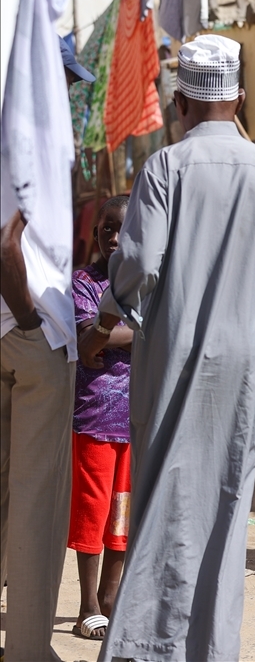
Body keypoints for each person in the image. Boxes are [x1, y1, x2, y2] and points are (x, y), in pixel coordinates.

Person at [79, 34, 255, 662]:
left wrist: (104, 323)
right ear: (237, 98)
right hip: (244, 360)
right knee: (226, 498)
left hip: (173, 355)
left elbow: (137, 266)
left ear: (180, 102)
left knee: (164, 493)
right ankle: (210, 646)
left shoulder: (164, 169)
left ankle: (144, 647)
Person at [0, 0, 93, 655]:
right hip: (26, 332)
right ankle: (29, 645)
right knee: (35, 503)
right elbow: (6, 242)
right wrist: (30, 322)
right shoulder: (24, 134)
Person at [68, 196, 132, 641]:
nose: (113, 237)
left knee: (121, 512)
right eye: (106, 229)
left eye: (123, 229)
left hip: (138, 418)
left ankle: (112, 600)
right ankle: (87, 604)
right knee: (92, 510)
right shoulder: (83, 284)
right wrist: (140, 332)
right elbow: (87, 342)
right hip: (94, 417)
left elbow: (103, 338)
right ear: (96, 235)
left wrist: (111, 335)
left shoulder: (147, 284)